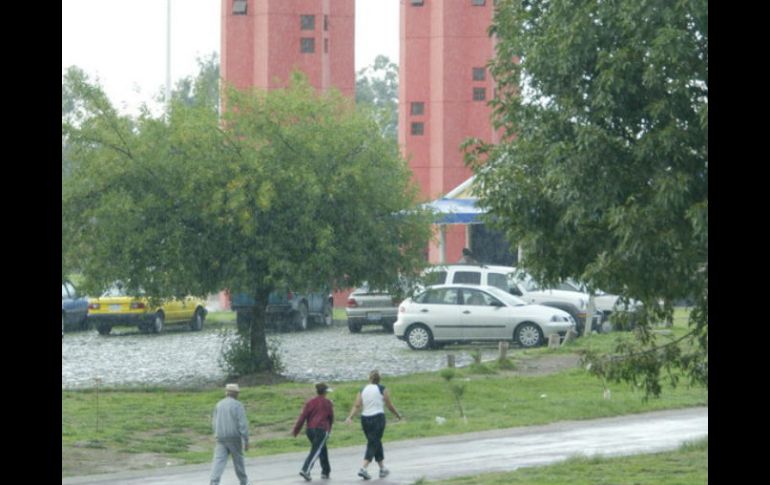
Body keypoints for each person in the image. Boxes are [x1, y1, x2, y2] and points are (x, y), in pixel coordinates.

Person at [345, 370, 402, 480]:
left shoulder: (362, 389)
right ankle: (363, 468)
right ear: (379, 379)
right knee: (374, 442)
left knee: (375, 441)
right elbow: (389, 405)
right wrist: (398, 415)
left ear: (369, 378)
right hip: (378, 418)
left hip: (365, 419)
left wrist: (350, 417)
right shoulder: (382, 389)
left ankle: (382, 469)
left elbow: (357, 405)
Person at [209, 383, 251, 485]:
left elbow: (214, 422)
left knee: (218, 461)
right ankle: (244, 482)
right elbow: (243, 424)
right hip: (234, 437)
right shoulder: (238, 405)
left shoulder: (219, 404)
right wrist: (246, 440)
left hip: (220, 438)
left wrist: (216, 434)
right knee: (238, 461)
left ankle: (214, 482)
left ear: (226, 393)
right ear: (236, 394)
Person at [292, 382, 335, 481]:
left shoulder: (310, 402)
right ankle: (305, 470)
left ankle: (326, 471)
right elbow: (331, 418)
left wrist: (296, 430)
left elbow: (302, 417)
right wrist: (329, 430)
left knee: (321, 448)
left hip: (310, 430)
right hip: (321, 429)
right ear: (325, 392)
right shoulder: (328, 403)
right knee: (316, 450)